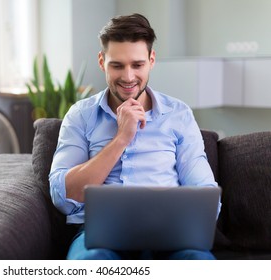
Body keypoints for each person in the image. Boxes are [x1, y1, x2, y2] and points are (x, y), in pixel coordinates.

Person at [49, 13, 219, 260]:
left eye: (137, 65)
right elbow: (62, 196)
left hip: (171, 235)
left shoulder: (178, 114)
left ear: (151, 60)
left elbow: (205, 194)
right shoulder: (81, 115)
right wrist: (121, 139)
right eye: (117, 65)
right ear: (101, 61)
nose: (128, 77)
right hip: (99, 238)